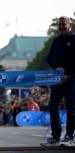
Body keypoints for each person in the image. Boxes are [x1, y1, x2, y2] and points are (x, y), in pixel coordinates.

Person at [40, 16, 75, 147]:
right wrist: (55, 67)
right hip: (57, 79)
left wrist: (69, 74)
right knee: (52, 106)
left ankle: (69, 137)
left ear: (69, 24)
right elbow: (49, 58)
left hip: (71, 79)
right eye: (59, 24)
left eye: (63, 24)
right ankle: (55, 137)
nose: (61, 26)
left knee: (71, 108)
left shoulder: (74, 39)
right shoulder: (56, 41)